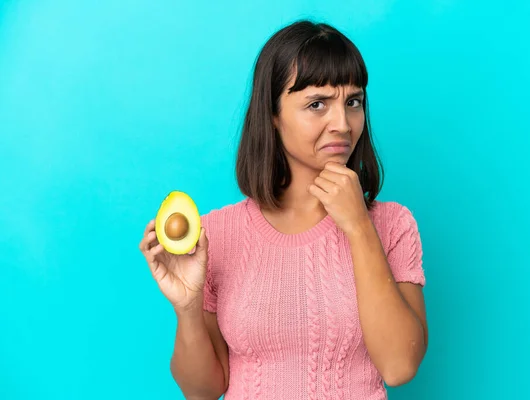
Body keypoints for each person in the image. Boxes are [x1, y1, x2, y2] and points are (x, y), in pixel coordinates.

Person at [139, 19, 428, 400]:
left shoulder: (392, 225)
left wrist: (359, 226)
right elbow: (204, 391)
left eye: (353, 102)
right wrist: (189, 309)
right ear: (273, 115)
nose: (342, 124)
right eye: (317, 104)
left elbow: (399, 366)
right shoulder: (217, 234)